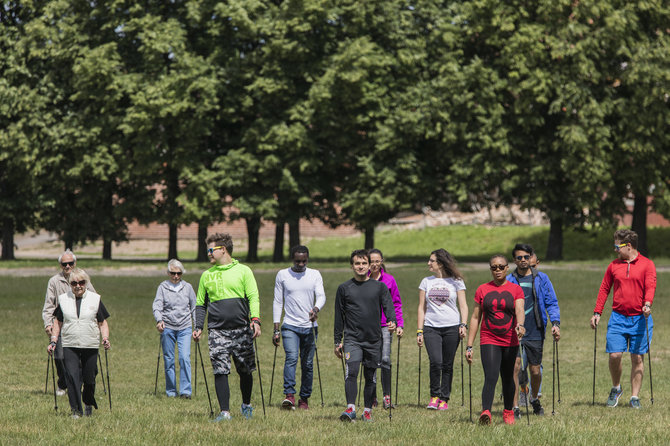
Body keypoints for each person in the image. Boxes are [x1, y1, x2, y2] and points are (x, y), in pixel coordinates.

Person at [193, 233, 261, 422]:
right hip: (217, 331)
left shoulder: (244, 271)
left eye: (211, 250)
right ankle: (225, 412)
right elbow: (200, 304)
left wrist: (255, 320)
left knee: (245, 370)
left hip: (241, 329)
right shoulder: (207, 275)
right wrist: (198, 326)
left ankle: (246, 404)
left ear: (223, 249)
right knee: (220, 370)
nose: (208, 254)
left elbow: (253, 297)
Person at [590, 229, 656, 409]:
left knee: (637, 358)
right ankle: (616, 388)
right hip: (618, 318)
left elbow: (650, 286)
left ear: (628, 246)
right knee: (614, 355)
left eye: (616, 246)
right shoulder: (613, 266)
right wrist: (597, 313)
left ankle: (634, 397)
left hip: (640, 319)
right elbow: (604, 289)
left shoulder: (647, 264)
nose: (615, 250)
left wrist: (647, 304)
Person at [334, 249, 396, 422]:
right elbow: (339, 317)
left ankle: (367, 411)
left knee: (370, 376)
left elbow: (389, 307)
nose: (360, 267)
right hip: (352, 338)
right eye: (357, 263)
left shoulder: (380, 287)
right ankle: (350, 409)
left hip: (374, 339)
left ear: (369, 265)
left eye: (363, 263)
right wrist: (337, 341)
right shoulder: (344, 288)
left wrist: (392, 321)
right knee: (352, 371)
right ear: (352, 266)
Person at [465, 255, 525, 425]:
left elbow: (520, 309)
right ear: (490, 269)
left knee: (507, 377)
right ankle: (486, 412)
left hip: (510, 339)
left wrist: (520, 325)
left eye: (501, 267)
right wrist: (469, 345)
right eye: (494, 267)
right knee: (490, 376)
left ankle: (507, 412)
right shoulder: (482, 289)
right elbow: (476, 317)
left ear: (507, 268)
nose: (497, 270)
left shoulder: (516, 289)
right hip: (489, 338)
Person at [506, 244, 561, 419]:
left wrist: (555, 323)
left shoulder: (542, 278)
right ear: (514, 260)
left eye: (526, 257)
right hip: (514, 331)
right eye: (519, 257)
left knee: (535, 371)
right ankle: (514, 406)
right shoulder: (509, 280)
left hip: (536, 328)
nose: (523, 260)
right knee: (515, 368)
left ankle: (534, 398)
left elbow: (551, 302)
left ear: (532, 258)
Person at [47, 268, 110, 418]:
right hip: (70, 344)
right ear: (70, 284)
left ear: (86, 283)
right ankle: (76, 410)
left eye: (81, 282)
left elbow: (102, 322)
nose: (78, 286)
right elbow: (58, 321)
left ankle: (88, 401)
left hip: (90, 344)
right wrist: (54, 340)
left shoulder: (95, 299)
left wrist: (105, 338)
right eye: (74, 283)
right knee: (72, 377)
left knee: (89, 377)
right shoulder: (64, 299)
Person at [272, 245, 326, 410]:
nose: (301, 264)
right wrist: (276, 328)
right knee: (292, 358)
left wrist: (315, 309)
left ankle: (304, 398)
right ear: (292, 259)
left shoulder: (314, 274)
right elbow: (278, 301)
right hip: (290, 325)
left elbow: (321, 295)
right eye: (297, 261)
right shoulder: (282, 275)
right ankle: (289, 396)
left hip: (310, 326)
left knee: (308, 364)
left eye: (304, 261)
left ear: (307, 259)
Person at [416, 249, 468, 410]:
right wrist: (419, 330)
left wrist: (463, 324)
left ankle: (444, 399)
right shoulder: (426, 281)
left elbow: (463, 305)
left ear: (440, 263)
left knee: (447, 364)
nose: (428, 263)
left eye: (431, 261)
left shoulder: (456, 281)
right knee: (435, 362)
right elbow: (421, 307)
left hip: (452, 327)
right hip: (431, 327)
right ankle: (434, 396)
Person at [42, 250, 96, 396]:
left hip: (80, 325)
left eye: (70, 263)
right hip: (60, 324)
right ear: (60, 265)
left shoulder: (83, 279)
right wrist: (48, 324)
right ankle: (63, 383)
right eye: (64, 264)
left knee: (79, 359)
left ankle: (77, 384)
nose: (67, 266)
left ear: (74, 263)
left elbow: (94, 300)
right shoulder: (54, 281)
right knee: (59, 357)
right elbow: (49, 305)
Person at [153, 259, 196, 398]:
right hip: (168, 327)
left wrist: (198, 326)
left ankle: (185, 391)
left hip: (185, 327)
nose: (176, 276)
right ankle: (171, 391)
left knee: (184, 358)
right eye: (173, 273)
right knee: (169, 359)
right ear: (168, 273)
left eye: (178, 273)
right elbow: (157, 305)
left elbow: (194, 307)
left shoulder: (188, 287)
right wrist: (159, 320)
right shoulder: (163, 287)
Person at [368, 248, 404, 410]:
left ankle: (387, 397)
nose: (374, 264)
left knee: (385, 359)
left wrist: (399, 323)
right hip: (368, 326)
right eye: (372, 261)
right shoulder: (364, 280)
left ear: (382, 261)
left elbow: (396, 303)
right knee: (371, 361)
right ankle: (372, 395)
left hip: (385, 326)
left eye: (377, 261)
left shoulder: (389, 280)